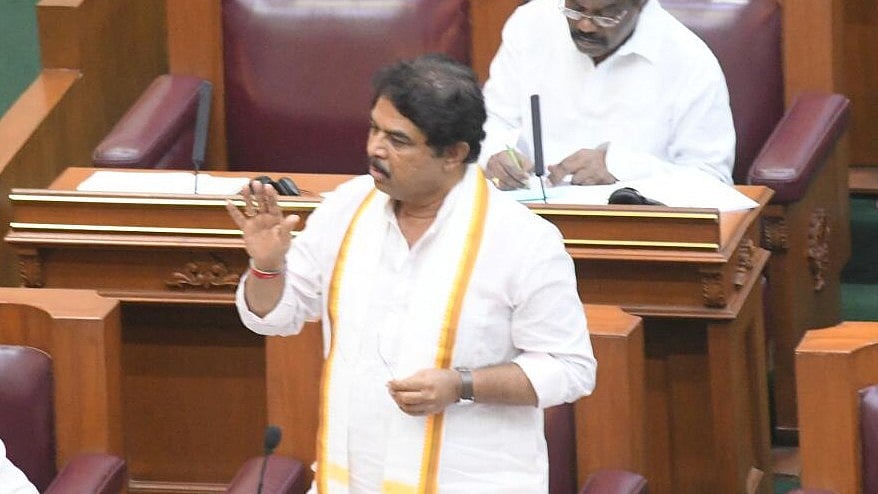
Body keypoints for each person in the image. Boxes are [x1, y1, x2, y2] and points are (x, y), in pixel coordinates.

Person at [226, 53, 596, 493]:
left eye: (398, 140)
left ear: (453, 154)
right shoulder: (347, 207)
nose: (374, 150)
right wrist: (268, 267)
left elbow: (569, 368)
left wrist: (461, 385)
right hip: (352, 478)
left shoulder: (523, 241)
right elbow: (277, 316)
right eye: (373, 129)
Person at [481, 0, 735, 190]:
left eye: (606, 16)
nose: (585, 25)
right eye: (575, 8)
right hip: (528, 218)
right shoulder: (530, 25)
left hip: (635, 233)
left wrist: (621, 168)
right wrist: (497, 156)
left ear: (641, 4)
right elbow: (493, 121)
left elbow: (712, 180)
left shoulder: (689, 60)